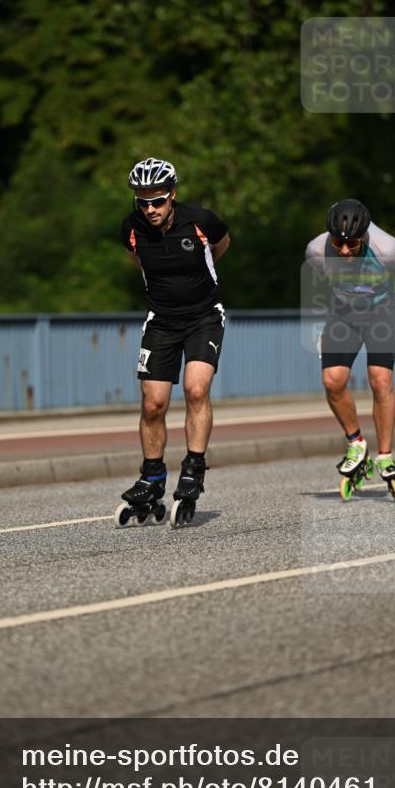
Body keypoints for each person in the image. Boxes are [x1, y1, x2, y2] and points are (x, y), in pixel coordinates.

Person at [118, 157, 230, 520]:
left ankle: (194, 467)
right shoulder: (130, 229)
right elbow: (138, 260)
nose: (150, 209)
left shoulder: (201, 221)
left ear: (172, 195)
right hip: (161, 322)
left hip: (204, 318)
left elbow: (221, 245)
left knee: (196, 390)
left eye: (158, 201)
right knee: (153, 403)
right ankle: (152, 477)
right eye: (143, 202)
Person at [305, 198, 395, 485]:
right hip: (343, 312)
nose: (344, 250)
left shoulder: (387, 249)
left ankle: (385, 455)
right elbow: (324, 274)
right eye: (338, 243)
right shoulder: (316, 250)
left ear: (364, 237)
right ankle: (356, 443)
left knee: (380, 379)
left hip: (382, 309)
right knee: (333, 381)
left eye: (352, 244)